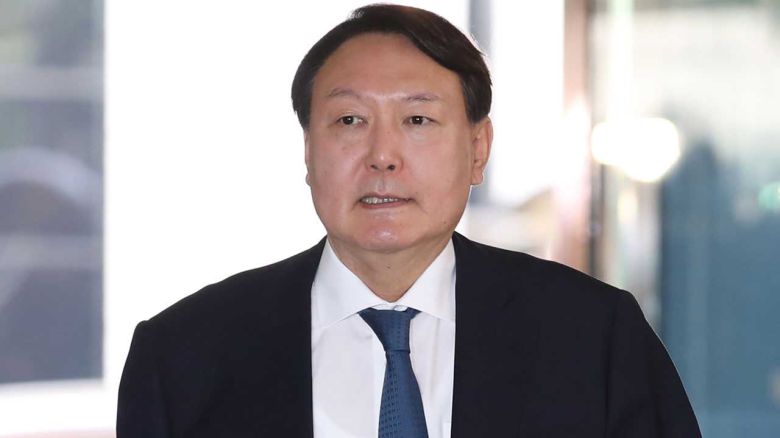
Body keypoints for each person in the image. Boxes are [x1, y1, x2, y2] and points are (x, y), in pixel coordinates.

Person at [117, 4, 701, 437]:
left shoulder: (594, 336)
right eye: (349, 121)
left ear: (478, 149)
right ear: (308, 152)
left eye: (418, 120)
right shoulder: (182, 355)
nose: (383, 156)